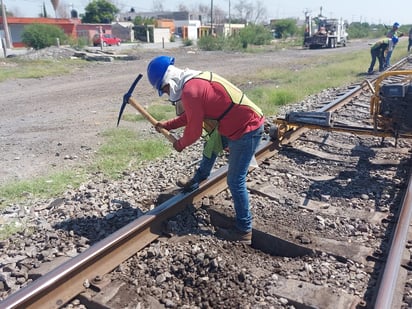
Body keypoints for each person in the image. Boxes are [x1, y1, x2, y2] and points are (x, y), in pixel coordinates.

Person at [147, 55, 265, 245]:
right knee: (211, 145)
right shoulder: (192, 82)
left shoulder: (190, 91)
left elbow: (193, 132)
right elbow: (193, 115)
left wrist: (180, 144)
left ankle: (244, 230)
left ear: (169, 80)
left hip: (247, 129)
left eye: (164, 89)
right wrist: (168, 125)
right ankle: (197, 180)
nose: (167, 93)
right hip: (233, 122)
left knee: (235, 181)